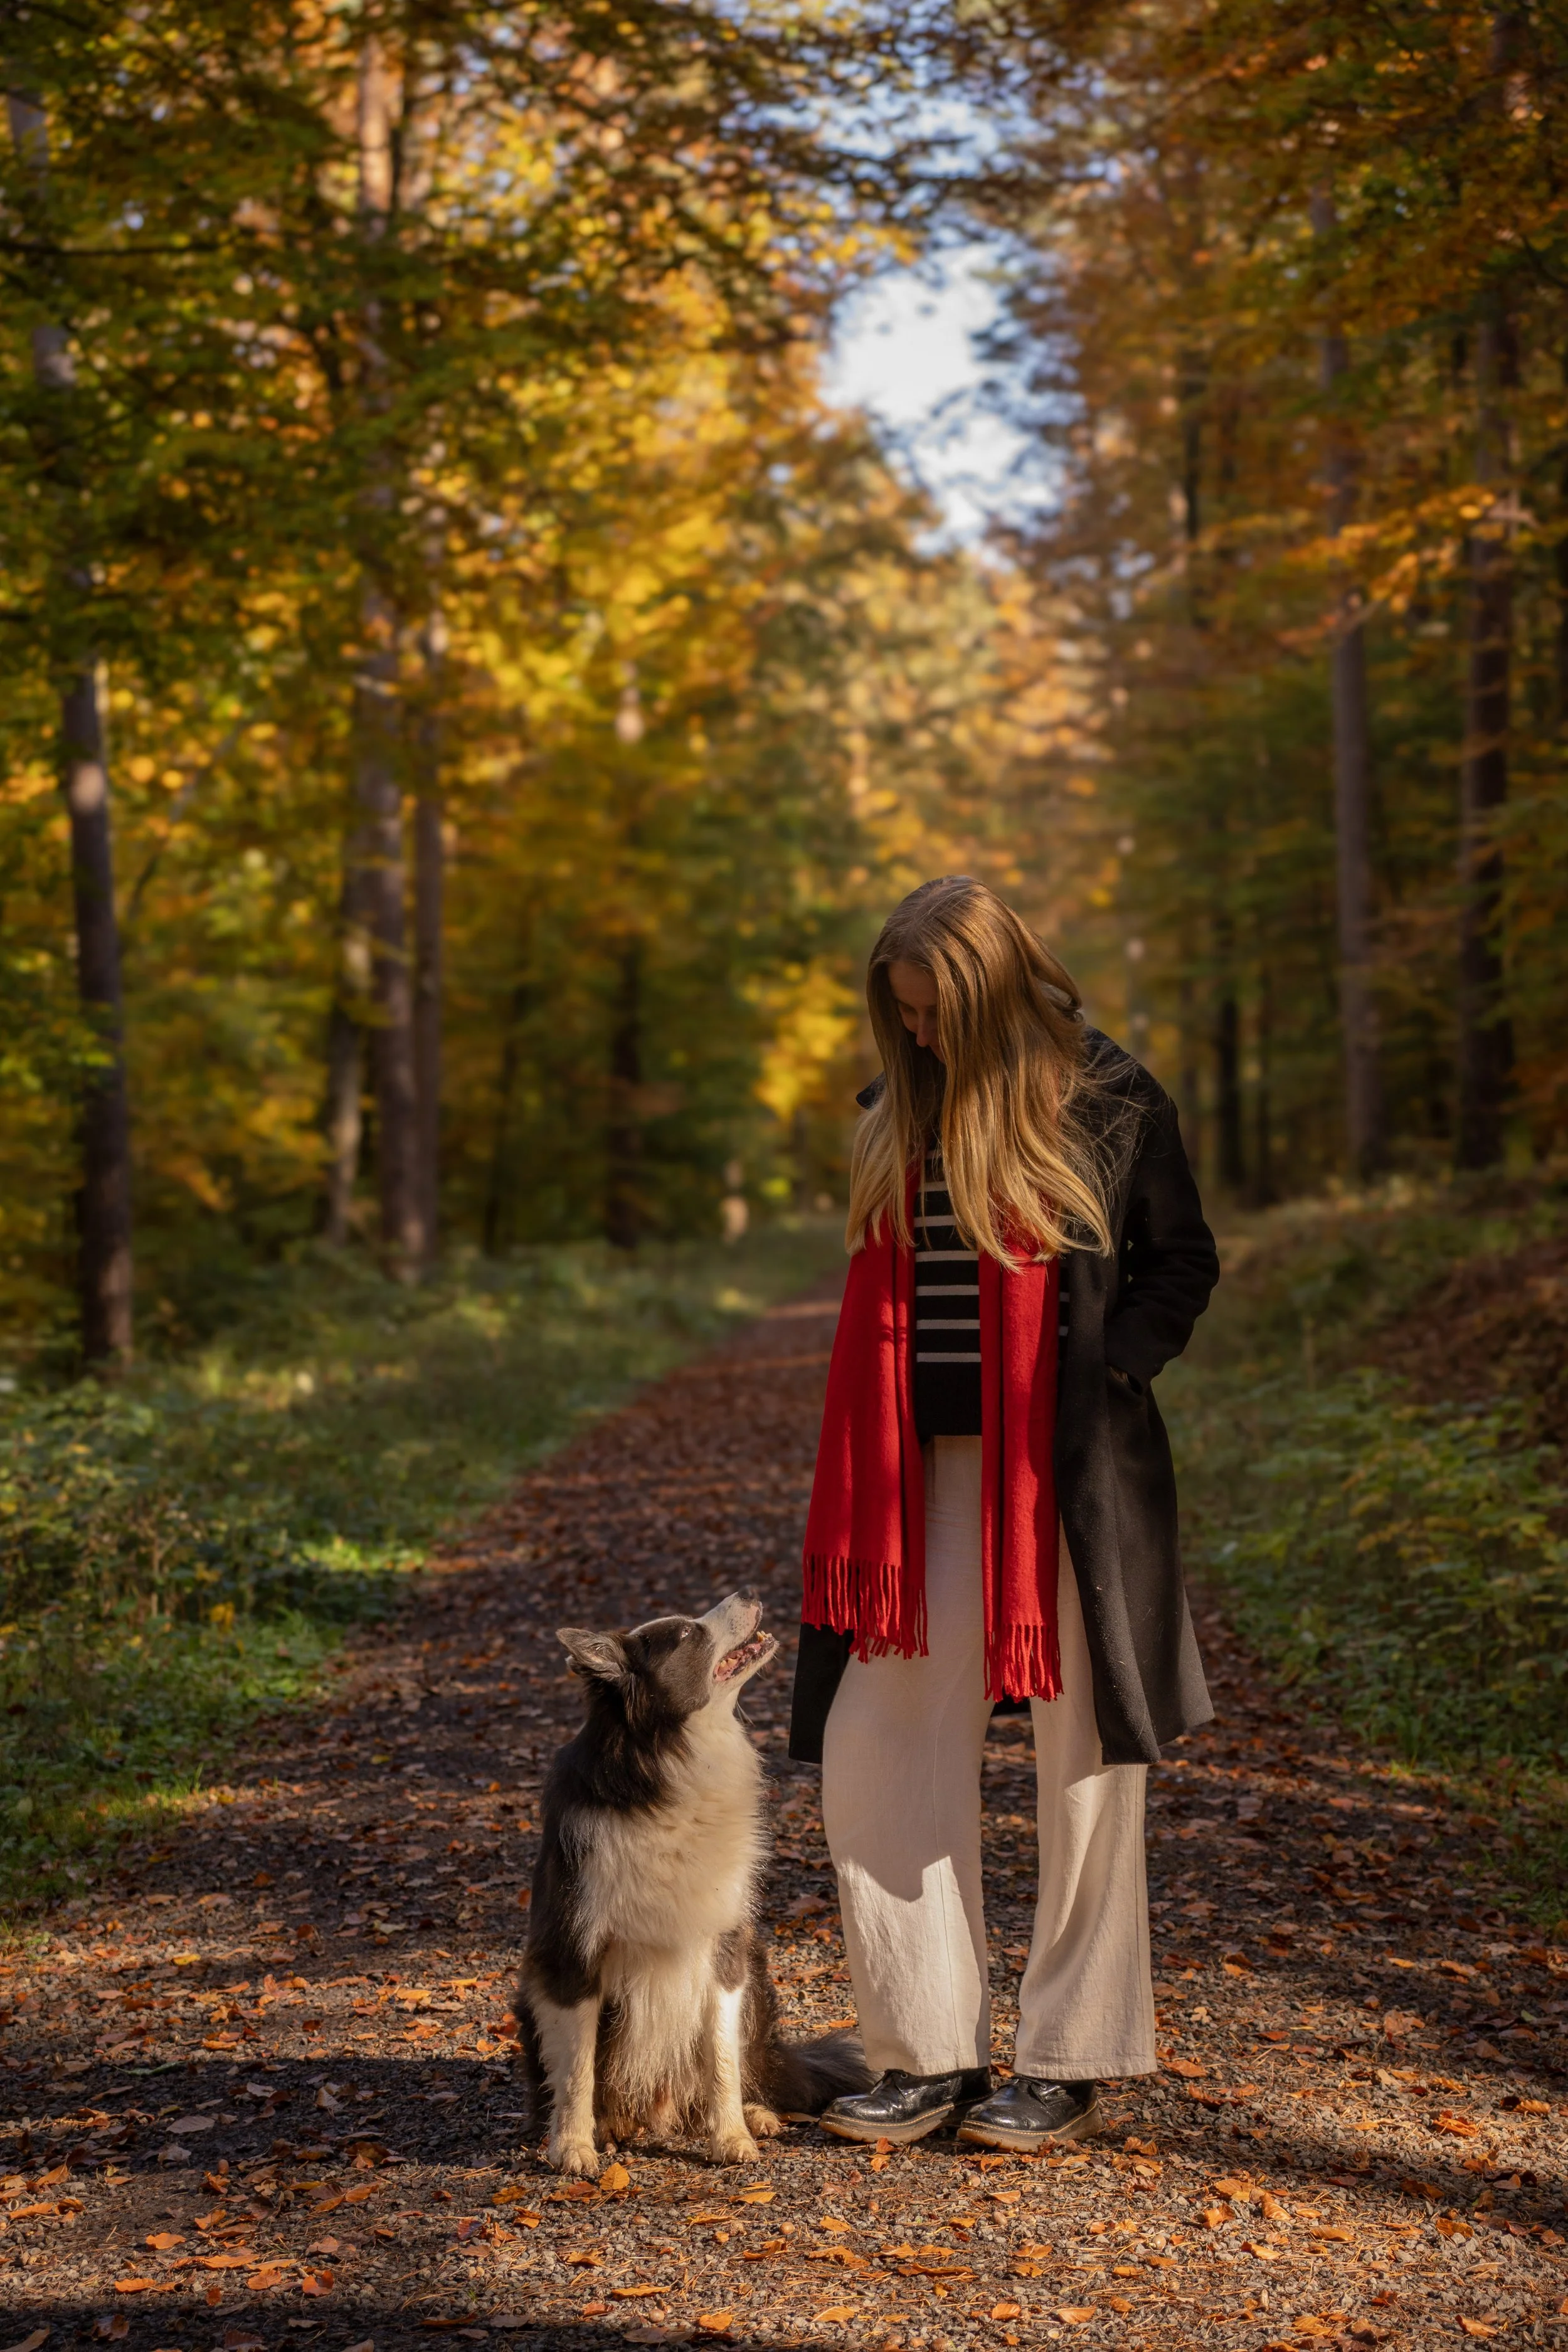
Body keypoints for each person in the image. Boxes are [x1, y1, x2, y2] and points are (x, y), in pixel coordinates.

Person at [787, 876, 1219, 2151]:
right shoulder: (894, 1107)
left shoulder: (1109, 1099)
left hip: (1067, 1483)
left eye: (929, 1011)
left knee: (1084, 1768)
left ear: (982, 991)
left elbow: (1179, 1262)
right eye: (899, 1014)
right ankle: (921, 2054)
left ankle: (1068, 2055)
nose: (912, 1035)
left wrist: (1107, 1372)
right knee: (876, 1753)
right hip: (918, 1483)